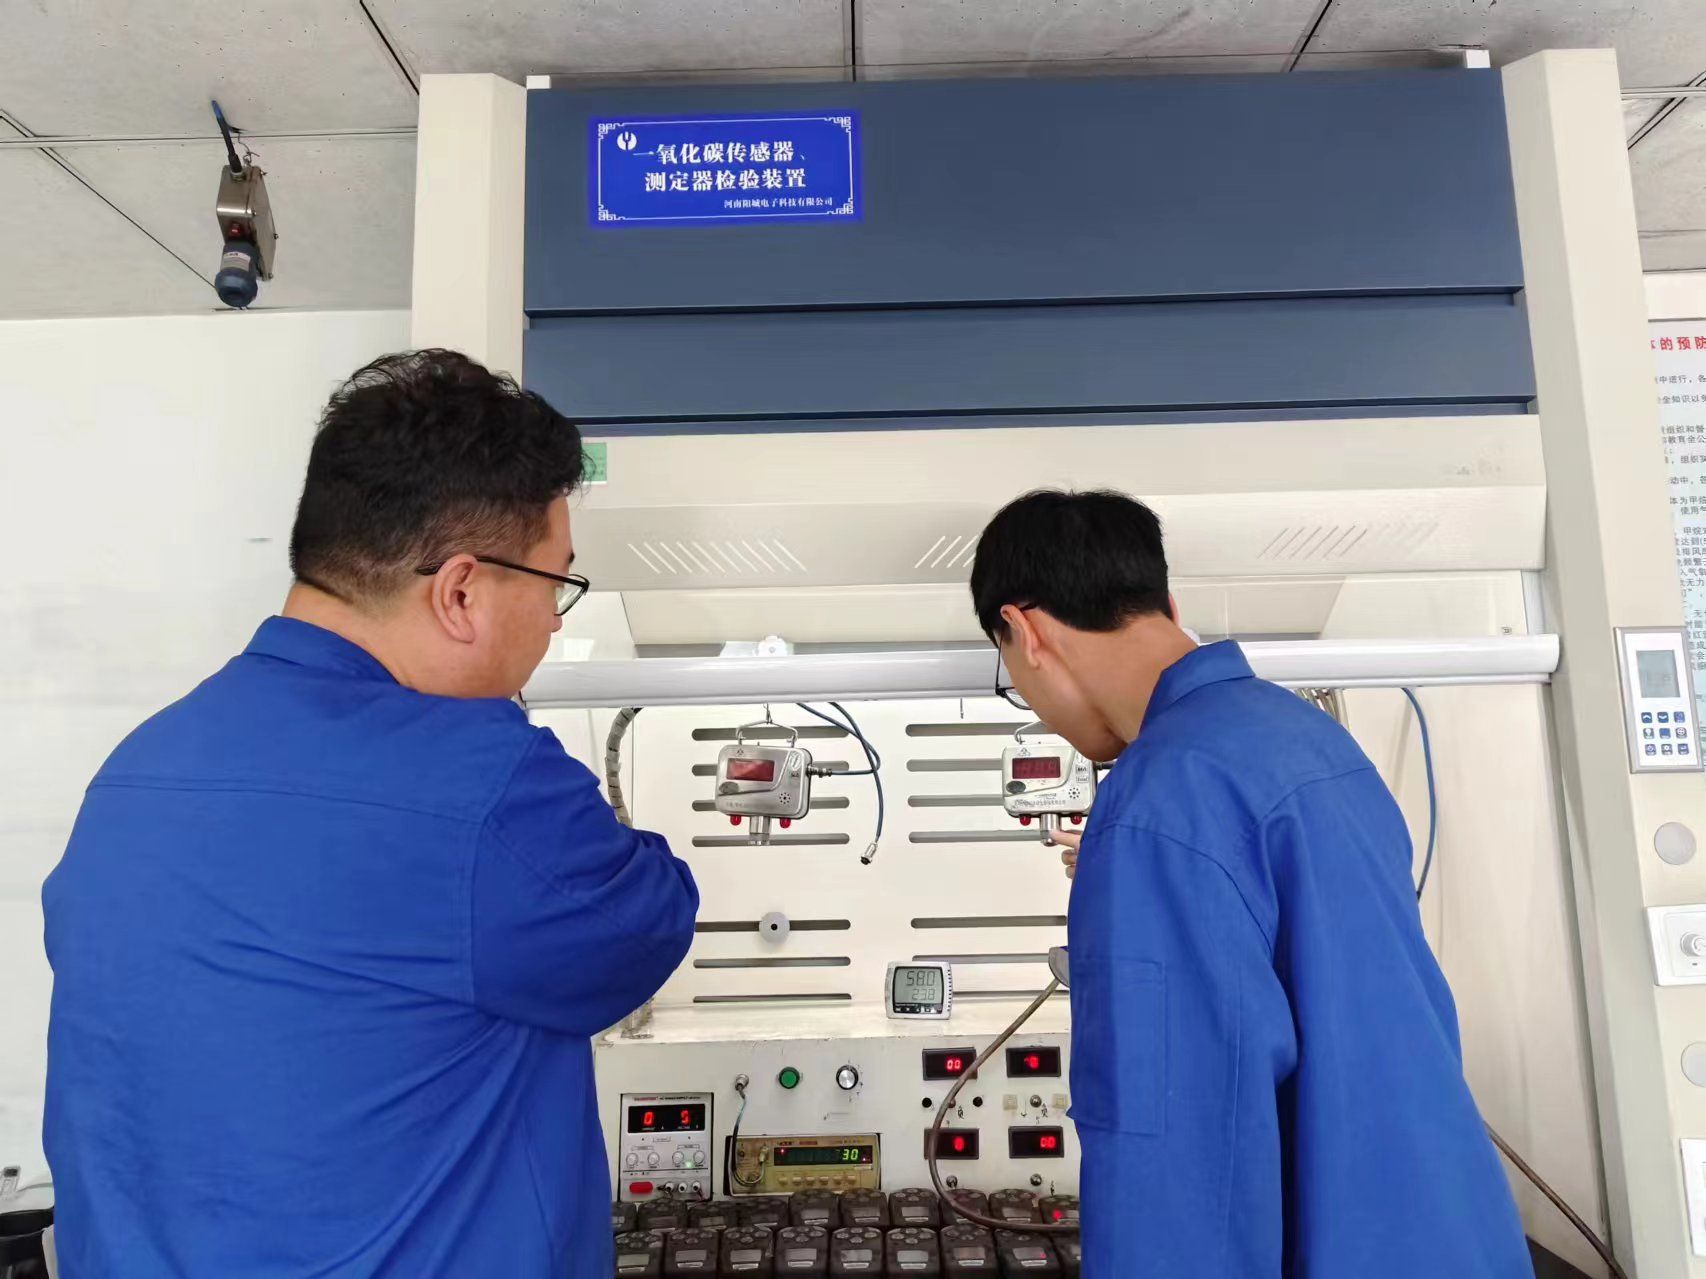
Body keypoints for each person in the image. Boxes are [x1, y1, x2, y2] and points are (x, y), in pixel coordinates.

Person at [42, 350, 698, 1278]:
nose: (555, 621)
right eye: (556, 583)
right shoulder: (481, 782)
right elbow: (647, 922)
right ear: (461, 591)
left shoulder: (136, 773)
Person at [970, 489, 1531, 1278]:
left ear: (1024, 633)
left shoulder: (1155, 802)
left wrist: (1133, 864)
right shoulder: (1317, 744)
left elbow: (1175, 1158)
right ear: (1167, 605)